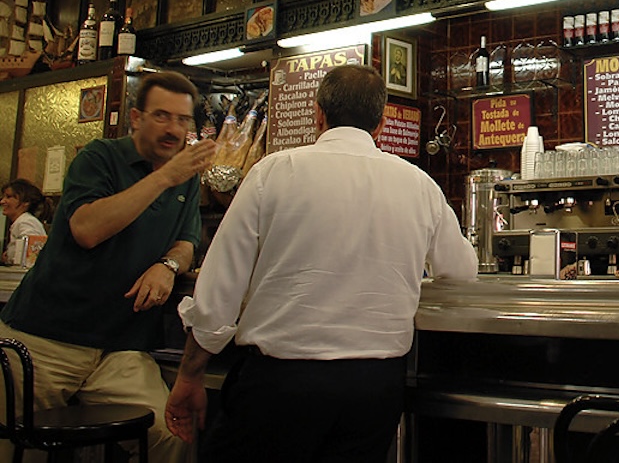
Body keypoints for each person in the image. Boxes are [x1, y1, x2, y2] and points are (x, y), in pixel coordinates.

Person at [165, 63, 477, 462]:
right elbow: (462, 272)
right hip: (375, 388)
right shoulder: (419, 184)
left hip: (283, 383)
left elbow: (218, 291)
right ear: (380, 124)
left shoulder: (273, 172)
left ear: (318, 115)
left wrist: (190, 374)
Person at [0, 70, 217, 463]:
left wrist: (167, 265)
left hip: (121, 347)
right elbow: (86, 229)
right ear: (136, 118)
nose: (174, 129)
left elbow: (187, 242)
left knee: (172, 433)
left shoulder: (184, 178)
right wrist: (165, 176)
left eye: (183, 120)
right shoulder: (99, 157)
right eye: (162, 116)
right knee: (15, 445)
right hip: (46, 337)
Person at [1, 178, 47, 266]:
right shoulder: (21, 222)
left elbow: (30, 257)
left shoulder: (26, 222)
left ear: (26, 202)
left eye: (9, 197)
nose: (2, 201)